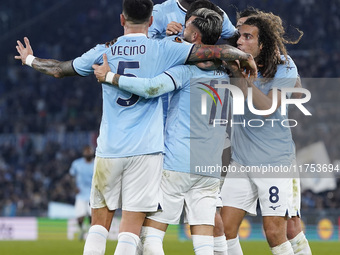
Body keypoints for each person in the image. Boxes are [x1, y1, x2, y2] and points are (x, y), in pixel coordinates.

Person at [15, 0, 256, 254]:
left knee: (101, 227)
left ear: (121, 19)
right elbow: (212, 52)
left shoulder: (105, 50)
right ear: (152, 21)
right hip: (150, 152)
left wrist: (30, 59)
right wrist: (243, 56)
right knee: (131, 232)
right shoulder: (165, 49)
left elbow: (59, 70)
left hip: (112, 148)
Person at [93, 8, 250, 255]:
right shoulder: (227, 73)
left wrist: (111, 77)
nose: (181, 28)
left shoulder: (186, 71)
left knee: (151, 236)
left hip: (178, 163)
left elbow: (151, 88)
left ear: (196, 37)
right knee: (204, 242)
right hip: (210, 166)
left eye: (187, 27)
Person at [220, 11, 304, 255]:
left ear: (262, 42)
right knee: (224, 230)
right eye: (238, 34)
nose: (239, 40)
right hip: (241, 162)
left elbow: (267, 108)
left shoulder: (284, 65)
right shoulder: (233, 63)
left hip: (274, 163)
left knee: (277, 232)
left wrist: (243, 79)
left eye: (247, 35)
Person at [148, 0, 237, 39]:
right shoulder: (159, 12)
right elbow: (144, 46)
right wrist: (167, 40)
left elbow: (235, 38)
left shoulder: (215, 14)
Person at [69, 145, 94, 240]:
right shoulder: (77, 164)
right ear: (83, 153)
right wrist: (74, 187)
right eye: (86, 151)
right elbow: (71, 176)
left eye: (90, 151)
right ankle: (82, 229)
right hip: (81, 195)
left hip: (93, 195)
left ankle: (91, 233)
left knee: (92, 217)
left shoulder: (97, 163)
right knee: (80, 218)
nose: (88, 153)